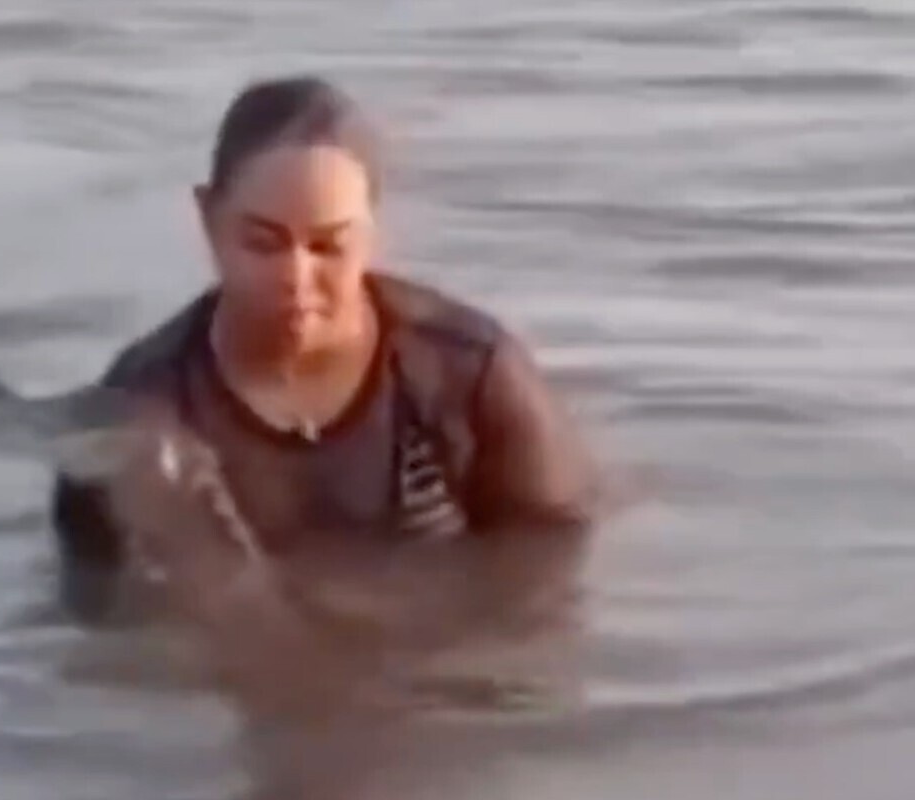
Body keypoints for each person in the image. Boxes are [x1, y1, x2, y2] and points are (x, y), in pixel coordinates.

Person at [50, 74, 599, 624]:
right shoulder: (138, 410)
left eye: (329, 246)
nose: (297, 277)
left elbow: (550, 576)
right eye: (263, 243)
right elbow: (96, 620)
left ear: (371, 232)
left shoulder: (471, 374)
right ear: (208, 219)